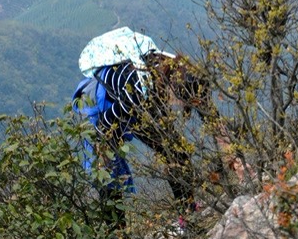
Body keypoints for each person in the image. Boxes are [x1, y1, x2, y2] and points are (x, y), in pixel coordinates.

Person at [75, 48, 217, 224]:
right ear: (175, 90)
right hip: (97, 105)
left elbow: (210, 117)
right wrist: (105, 149)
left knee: (175, 151)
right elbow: (104, 125)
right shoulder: (135, 92)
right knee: (109, 175)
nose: (180, 106)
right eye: (184, 101)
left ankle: (187, 212)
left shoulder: (176, 71)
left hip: (133, 100)